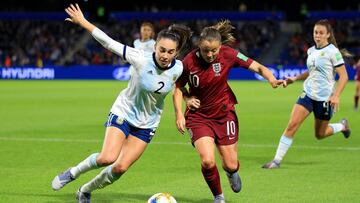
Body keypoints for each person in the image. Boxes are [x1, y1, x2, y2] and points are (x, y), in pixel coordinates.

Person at [52, 4, 192, 203]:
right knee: (107, 158)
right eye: (162, 50)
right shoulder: (140, 58)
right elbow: (108, 43)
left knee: (120, 168)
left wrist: (183, 106)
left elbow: (179, 86)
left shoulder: (178, 68)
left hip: (147, 123)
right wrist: (83, 22)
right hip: (124, 112)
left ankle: (85, 190)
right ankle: (72, 173)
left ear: (176, 53)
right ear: (155, 46)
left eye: (170, 52)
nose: (165, 55)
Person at [173, 20, 283, 203]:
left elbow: (257, 66)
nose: (210, 54)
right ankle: (219, 197)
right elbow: (177, 87)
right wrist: (182, 106)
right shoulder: (189, 62)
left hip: (224, 114)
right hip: (199, 117)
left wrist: (271, 78)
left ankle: (231, 173)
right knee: (208, 161)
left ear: (220, 46)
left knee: (231, 164)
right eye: (206, 50)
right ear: (199, 45)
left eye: (214, 50)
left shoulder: (228, 54)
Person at [262, 19, 352, 169]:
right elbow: (311, 72)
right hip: (308, 94)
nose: (318, 35)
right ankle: (276, 161)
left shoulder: (333, 52)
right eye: (316, 32)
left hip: (324, 99)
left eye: (321, 33)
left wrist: (336, 95)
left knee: (320, 134)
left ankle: (342, 126)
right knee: (292, 125)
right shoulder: (311, 51)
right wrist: (294, 79)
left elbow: (344, 76)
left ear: (328, 34)